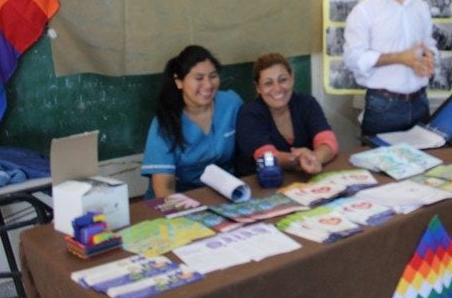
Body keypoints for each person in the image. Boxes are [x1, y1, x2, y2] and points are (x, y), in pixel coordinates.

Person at [343, 0, 438, 136]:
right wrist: (400, 58)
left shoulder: (421, 7)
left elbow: (429, 43)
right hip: (384, 106)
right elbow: (353, 58)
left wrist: (429, 56)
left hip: (420, 102)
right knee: (379, 165)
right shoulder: (365, 11)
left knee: (426, 164)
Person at [141, 45, 243, 199]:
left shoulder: (231, 103)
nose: (208, 85)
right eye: (199, 78)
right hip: (181, 199)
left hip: (224, 194)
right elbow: (165, 188)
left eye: (213, 76)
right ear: (179, 82)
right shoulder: (164, 123)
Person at [235, 53, 338, 176]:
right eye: (268, 83)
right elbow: (266, 156)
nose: (277, 89)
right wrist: (300, 159)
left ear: (292, 78)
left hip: (302, 180)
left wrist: (315, 158)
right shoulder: (249, 113)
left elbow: (328, 141)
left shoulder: (307, 103)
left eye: (283, 80)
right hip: (260, 185)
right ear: (258, 87)